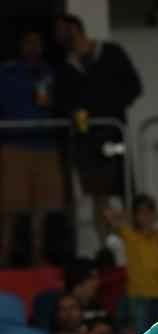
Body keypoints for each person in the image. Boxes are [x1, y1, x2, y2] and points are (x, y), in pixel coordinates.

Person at [55, 14, 142, 242]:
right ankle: (105, 246)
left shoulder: (111, 52)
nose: (57, 36)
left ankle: (137, 239)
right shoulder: (65, 66)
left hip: (112, 132)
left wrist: (109, 107)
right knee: (97, 194)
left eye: (61, 30)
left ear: (74, 29)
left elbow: (134, 86)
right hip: (87, 139)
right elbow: (61, 101)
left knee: (124, 188)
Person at [0, 29, 64, 265]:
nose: (33, 46)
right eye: (29, 42)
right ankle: (4, 259)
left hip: (44, 145)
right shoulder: (6, 72)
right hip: (13, 144)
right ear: (21, 45)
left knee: (42, 208)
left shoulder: (48, 73)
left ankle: (38, 257)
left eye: (37, 42)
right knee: (10, 208)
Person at [104, 194, 158, 334]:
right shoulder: (130, 235)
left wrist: (154, 216)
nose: (145, 216)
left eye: (148, 212)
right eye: (141, 213)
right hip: (139, 297)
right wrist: (136, 216)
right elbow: (109, 215)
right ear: (135, 215)